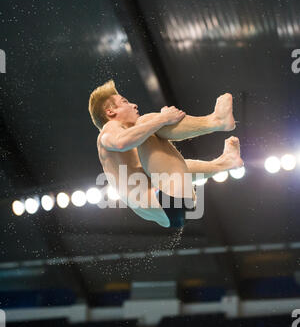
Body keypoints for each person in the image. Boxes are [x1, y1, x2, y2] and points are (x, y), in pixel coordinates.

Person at [88, 80, 243, 228]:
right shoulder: (109, 128)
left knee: (150, 135)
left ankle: (226, 163)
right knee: (145, 122)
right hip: (169, 201)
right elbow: (121, 142)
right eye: (125, 102)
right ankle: (216, 121)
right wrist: (163, 118)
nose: (134, 105)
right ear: (110, 111)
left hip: (172, 213)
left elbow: (180, 169)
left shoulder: (127, 156)